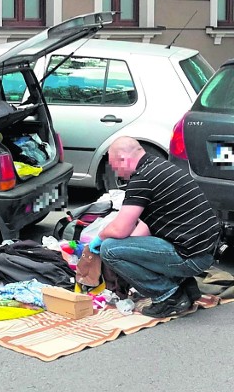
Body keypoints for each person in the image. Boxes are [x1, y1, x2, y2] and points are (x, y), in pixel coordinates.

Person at [88, 136, 221, 318]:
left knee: (109, 249)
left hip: (191, 255)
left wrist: (99, 238)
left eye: (114, 166)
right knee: (121, 247)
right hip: (204, 250)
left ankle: (168, 295)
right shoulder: (159, 166)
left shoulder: (142, 179)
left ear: (123, 159)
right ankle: (184, 286)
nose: (116, 172)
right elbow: (144, 227)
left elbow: (120, 230)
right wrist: (130, 250)